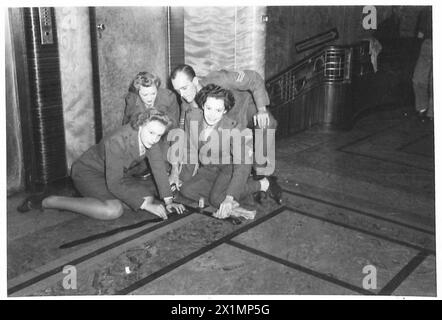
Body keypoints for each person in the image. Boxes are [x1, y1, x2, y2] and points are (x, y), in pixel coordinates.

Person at [18, 110, 185, 220]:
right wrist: (147, 205)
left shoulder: (151, 138)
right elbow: (114, 183)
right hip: (88, 172)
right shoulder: (117, 141)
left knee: (145, 198)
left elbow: (159, 169)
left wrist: (168, 201)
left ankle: (92, 198)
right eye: (151, 133)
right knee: (113, 210)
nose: (154, 139)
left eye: (159, 135)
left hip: (116, 174)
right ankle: (50, 201)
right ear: (141, 125)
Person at [176, 84, 281, 219]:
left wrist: (230, 198)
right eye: (209, 108)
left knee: (216, 199)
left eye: (218, 110)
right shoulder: (192, 117)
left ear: (225, 110)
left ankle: (261, 184)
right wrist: (181, 178)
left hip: (230, 167)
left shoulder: (233, 128)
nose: (212, 115)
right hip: (210, 167)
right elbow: (190, 149)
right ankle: (223, 198)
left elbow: (242, 164)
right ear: (202, 105)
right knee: (186, 189)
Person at [170, 64, 277, 177]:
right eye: (177, 90)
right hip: (226, 127)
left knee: (267, 122)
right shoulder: (187, 105)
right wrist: (174, 170)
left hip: (243, 110)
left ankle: (259, 170)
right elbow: (181, 135)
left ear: (195, 81)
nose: (182, 94)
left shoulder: (219, 79)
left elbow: (253, 78)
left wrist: (261, 110)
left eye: (184, 88)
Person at [123, 71, 180, 179]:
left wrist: (175, 170)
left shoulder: (169, 97)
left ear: (157, 88)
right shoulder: (132, 100)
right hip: (142, 138)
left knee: (162, 167)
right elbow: (127, 128)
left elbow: (175, 132)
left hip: (165, 136)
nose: (149, 99)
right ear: (137, 92)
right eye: (145, 94)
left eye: (153, 93)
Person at [412, 7, 433, 122]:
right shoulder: (426, 11)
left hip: (428, 43)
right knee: (418, 80)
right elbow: (421, 32)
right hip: (428, 43)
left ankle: (430, 112)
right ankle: (423, 108)